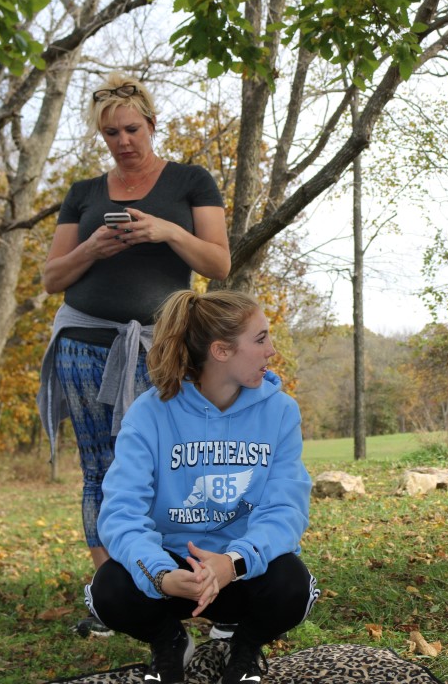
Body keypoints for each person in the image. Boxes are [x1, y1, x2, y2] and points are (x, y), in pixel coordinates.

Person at [37, 73, 231, 635]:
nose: (122, 141)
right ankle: (113, 596)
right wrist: (93, 248)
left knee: (177, 466)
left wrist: (167, 232)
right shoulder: (84, 193)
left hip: (160, 347)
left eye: (131, 129)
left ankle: (194, 586)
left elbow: (219, 264)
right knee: (100, 469)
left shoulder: (191, 181)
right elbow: (52, 277)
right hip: (83, 344)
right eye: (110, 133)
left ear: (151, 123)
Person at [86, 290, 319, 684]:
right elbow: (121, 513)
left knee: (293, 586)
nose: (272, 350)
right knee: (107, 588)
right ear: (221, 351)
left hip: (240, 570)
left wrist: (232, 563)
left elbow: (286, 509)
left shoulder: (280, 411)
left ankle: (244, 648)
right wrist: (160, 574)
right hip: (173, 574)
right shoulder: (149, 413)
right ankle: (170, 642)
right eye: (260, 339)